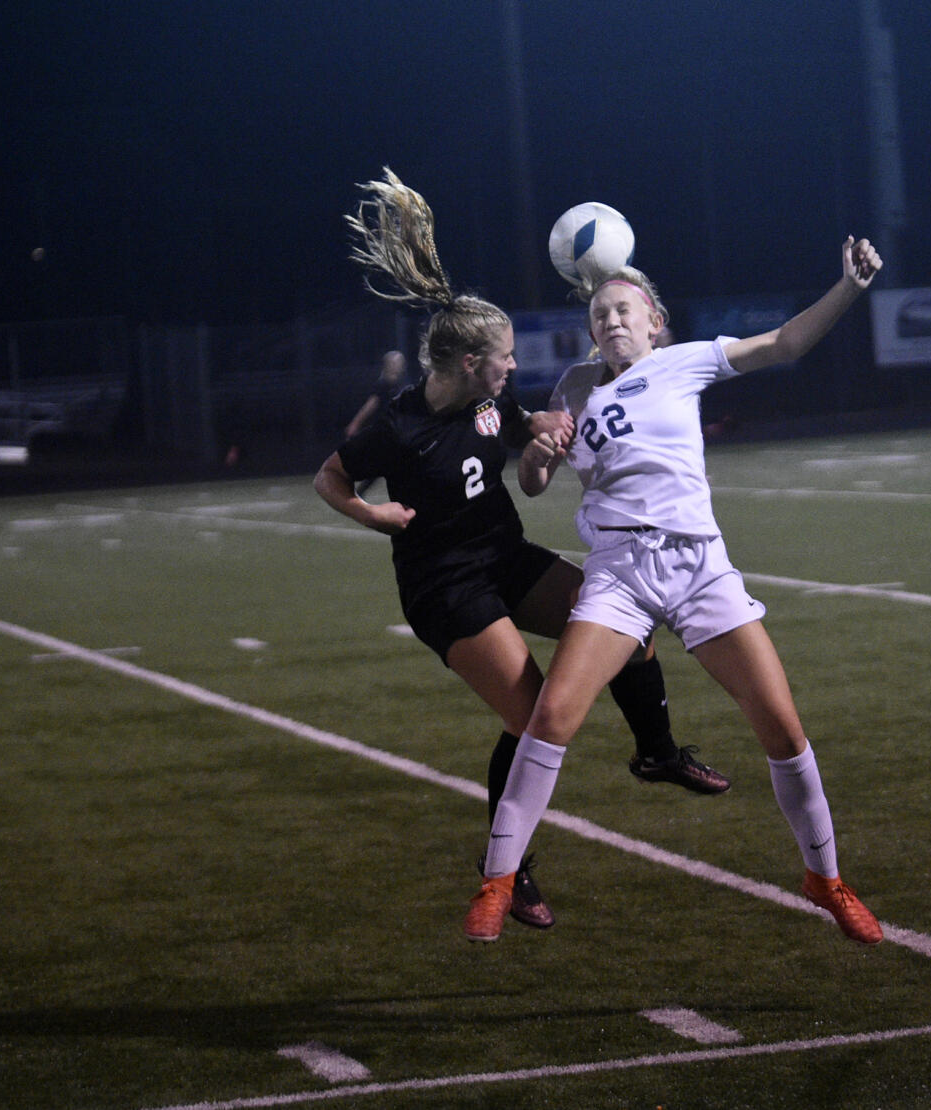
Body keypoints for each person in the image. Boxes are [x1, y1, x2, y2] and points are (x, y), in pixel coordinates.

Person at [314, 169, 730, 933]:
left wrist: (543, 428)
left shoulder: (486, 397)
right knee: (535, 711)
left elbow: (516, 426)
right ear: (469, 364)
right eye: (502, 358)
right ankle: (508, 867)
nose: (512, 365)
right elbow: (329, 477)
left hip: (506, 557)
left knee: (624, 619)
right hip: (447, 590)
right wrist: (369, 514)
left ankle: (658, 751)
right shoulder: (398, 428)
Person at [464, 235, 886, 946]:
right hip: (619, 572)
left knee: (780, 727)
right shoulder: (572, 389)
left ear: (656, 321)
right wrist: (537, 458)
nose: (612, 323)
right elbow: (537, 483)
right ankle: (498, 881)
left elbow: (785, 343)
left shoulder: (686, 362)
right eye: (601, 317)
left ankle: (826, 879)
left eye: (625, 312)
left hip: (699, 566)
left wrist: (849, 287)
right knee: (554, 717)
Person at [346, 349, 409, 438]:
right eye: (393, 365)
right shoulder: (382, 386)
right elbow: (371, 404)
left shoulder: (402, 386)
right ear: (387, 367)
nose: (397, 368)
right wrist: (355, 423)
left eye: (399, 365)